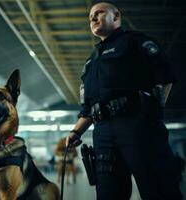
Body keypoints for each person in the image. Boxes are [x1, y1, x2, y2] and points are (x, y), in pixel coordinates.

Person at [64, 1, 183, 199]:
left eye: (99, 13)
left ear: (116, 16)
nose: (92, 18)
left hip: (138, 126)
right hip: (103, 135)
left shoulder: (135, 42)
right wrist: (76, 131)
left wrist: (151, 115)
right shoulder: (90, 61)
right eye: (90, 17)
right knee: (108, 194)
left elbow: (165, 77)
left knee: (159, 190)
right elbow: (88, 109)